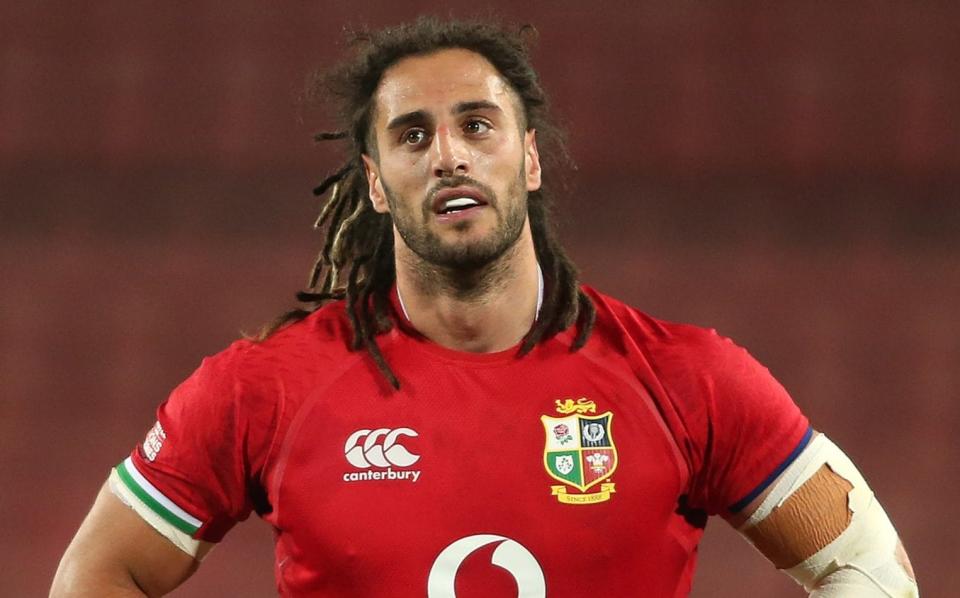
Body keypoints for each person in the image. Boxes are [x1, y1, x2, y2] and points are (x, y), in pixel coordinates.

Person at [51, 17, 918, 598]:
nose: (449, 157)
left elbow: (868, 570)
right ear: (376, 185)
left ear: (529, 160)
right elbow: (102, 573)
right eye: (414, 135)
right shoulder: (265, 390)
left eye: (478, 126)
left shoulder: (686, 381)